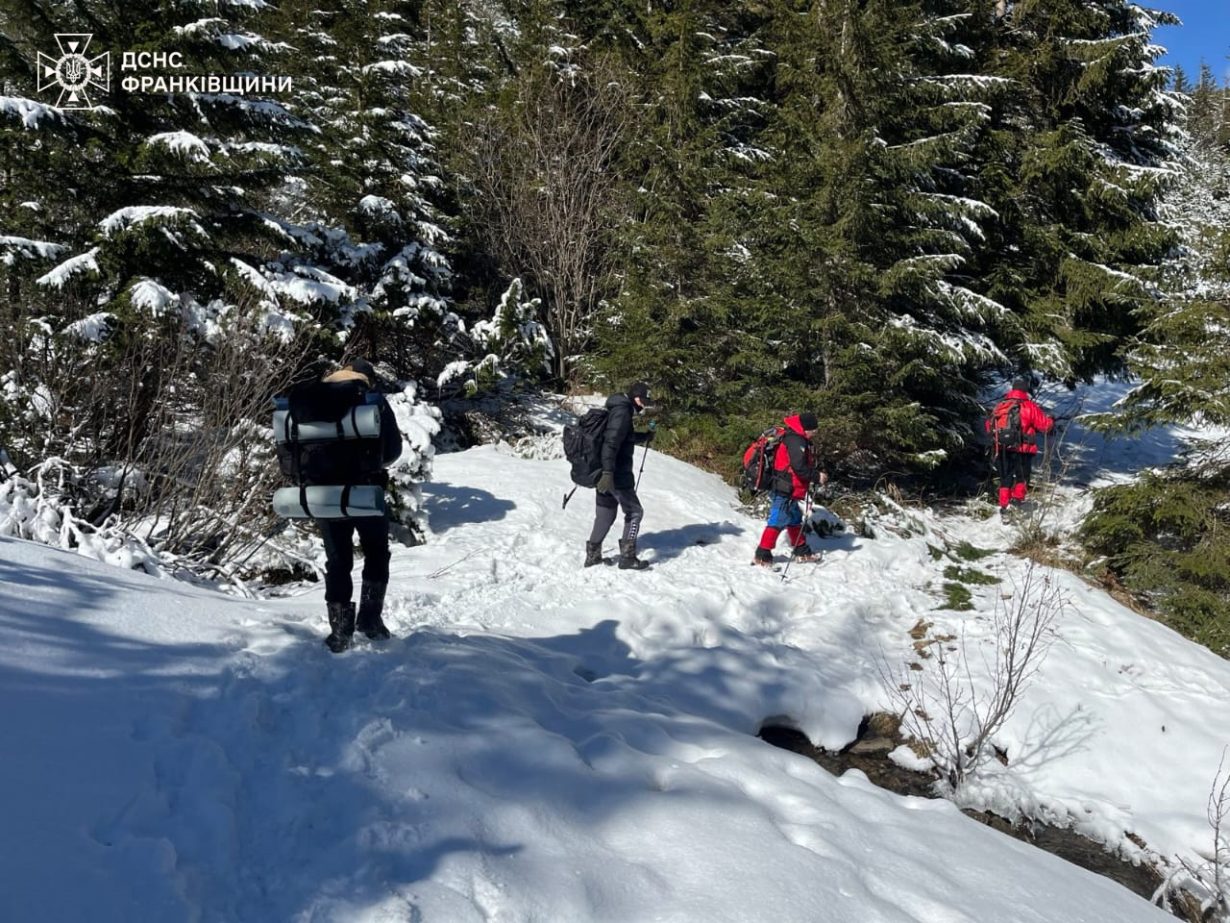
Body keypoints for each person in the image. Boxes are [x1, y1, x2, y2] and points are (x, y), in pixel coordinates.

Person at [315, 359, 403, 652]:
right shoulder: (372, 401)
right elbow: (392, 451)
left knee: (338, 559)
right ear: (367, 378)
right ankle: (369, 620)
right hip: (366, 491)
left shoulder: (315, 398)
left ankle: (340, 632)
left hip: (325, 494)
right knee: (377, 553)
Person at [586, 382, 656, 570]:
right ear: (637, 398)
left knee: (605, 513)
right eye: (644, 401)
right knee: (635, 512)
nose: (644, 406)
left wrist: (645, 436)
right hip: (616, 474)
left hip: (605, 473)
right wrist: (609, 473)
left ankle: (593, 556)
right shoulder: (623, 413)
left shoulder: (618, 409)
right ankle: (627, 557)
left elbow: (622, 437)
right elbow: (611, 443)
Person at [752, 412, 828, 567]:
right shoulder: (795, 440)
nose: (814, 433)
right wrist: (817, 476)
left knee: (794, 518)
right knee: (778, 519)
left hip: (789, 487)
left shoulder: (794, 437)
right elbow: (799, 467)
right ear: (805, 428)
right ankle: (762, 554)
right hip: (785, 487)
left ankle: (801, 550)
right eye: (813, 430)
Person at [986, 375, 1054, 517]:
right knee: (1022, 477)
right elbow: (1045, 426)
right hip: (1023, 449)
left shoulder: (1001, 406)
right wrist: (1051, 420)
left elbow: (989, 426)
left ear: (1013, 389)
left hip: (1002, 448)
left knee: (1005, 477)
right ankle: (1017, 502)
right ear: (1025, 389)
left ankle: (1005, 507)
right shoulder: (1029, 406)